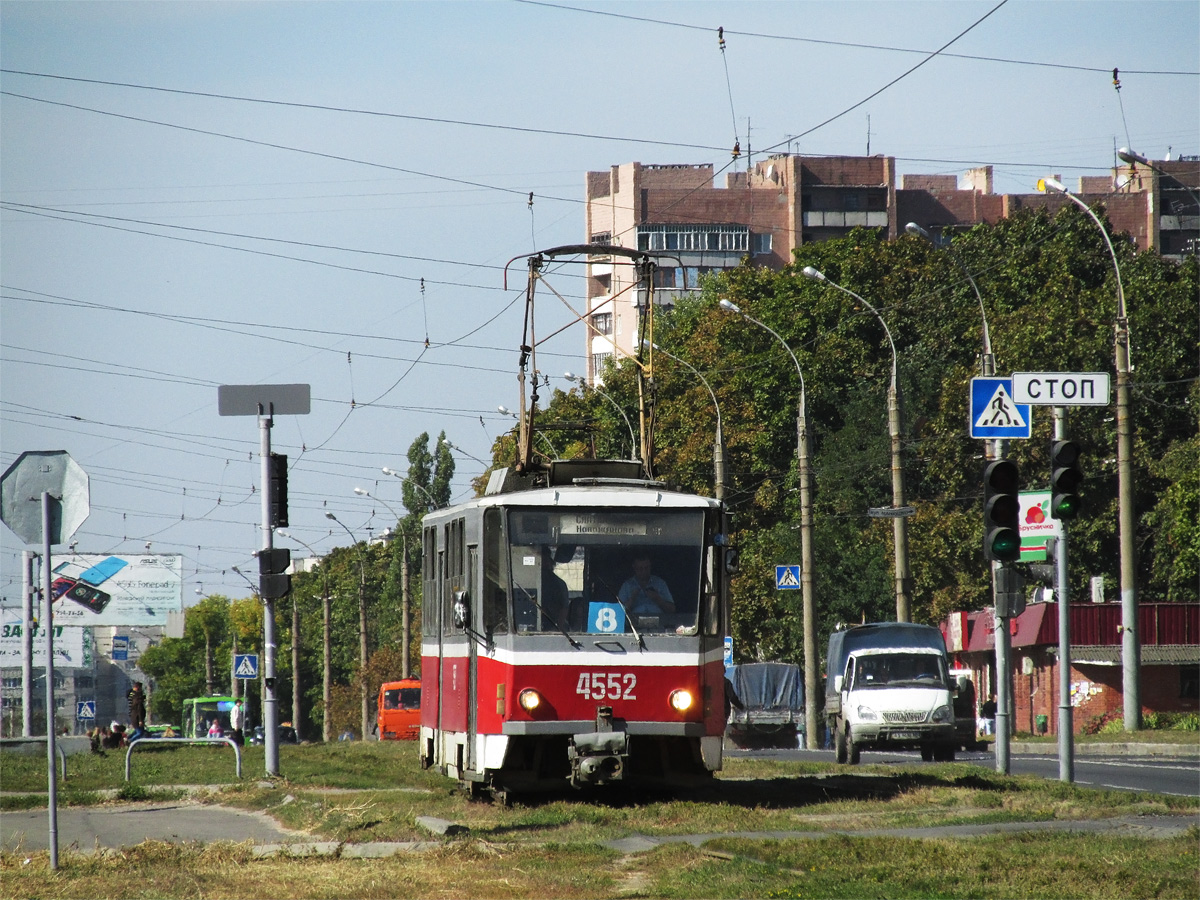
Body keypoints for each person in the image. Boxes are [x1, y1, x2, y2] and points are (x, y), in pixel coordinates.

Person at [540, 547, 571, 629]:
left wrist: (558, 628)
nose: (544, 563)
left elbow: (564, 608)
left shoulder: (559, 584)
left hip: (552, 625)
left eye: (545, 560)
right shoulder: (526, 583)